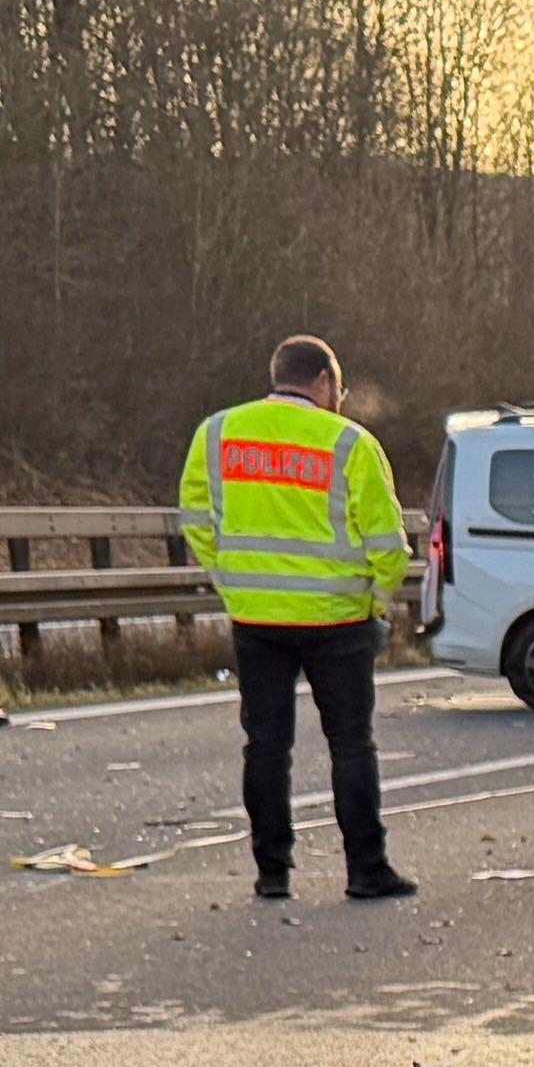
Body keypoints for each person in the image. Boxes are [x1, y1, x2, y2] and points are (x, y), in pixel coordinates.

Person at [176, 335, 417, 902]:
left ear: (276, 374)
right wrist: (378, 601)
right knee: (351, 745)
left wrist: (233, 579)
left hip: (256, 616)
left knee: (265, 746)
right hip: (338, 620)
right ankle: (365, 867)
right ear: (327, 383)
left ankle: (273, 871)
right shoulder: (350, 443)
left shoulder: (216, 433)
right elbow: (388, 544)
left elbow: (195, 517)